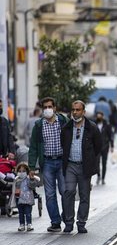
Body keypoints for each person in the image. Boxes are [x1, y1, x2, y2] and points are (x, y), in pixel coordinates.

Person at [61, 100, 102, 233]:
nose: (75, 112)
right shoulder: (67, 128)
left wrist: (90, 161)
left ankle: (81, 222)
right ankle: (68, 221)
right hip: (70, 165)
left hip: (85, 167)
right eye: (73, 109)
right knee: (68, 192)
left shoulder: (92, 127)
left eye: (78, 110)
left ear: (83, 112)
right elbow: (63, 144)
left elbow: (98, 146)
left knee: (84, 195)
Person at [28, 97, 68, 233]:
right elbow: (33, 147)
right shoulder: (38, 126)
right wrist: (32, 167)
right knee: (50, 194)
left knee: (64, 191)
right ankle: (55, 222)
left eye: (49, 107)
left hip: (62, 161)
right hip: (48, 163)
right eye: (45, 107)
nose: (47, 110)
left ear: (55, 108)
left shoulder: (63, 121)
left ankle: (67, 218)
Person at [14, 162, 41, 232]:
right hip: (19, 199)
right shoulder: (17, 180)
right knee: (21, 213)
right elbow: (15, 188)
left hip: (28, 199)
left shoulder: (29, 179)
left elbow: (32, 186)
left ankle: (29, 224)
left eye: (23, 171)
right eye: (19, 171)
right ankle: (21, 224)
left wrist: (32, 179)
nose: (21, 173)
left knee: (28, 213)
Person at [95, 111, 114, 185]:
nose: (98, 117)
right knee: (96, 163)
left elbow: (110, 136)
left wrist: (112, 146)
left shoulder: (107, 125)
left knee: (104, 163)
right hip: (96, 147)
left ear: (102, 116)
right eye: (97, 116)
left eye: (100, 116)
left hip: (105, 146)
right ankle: (98, 176)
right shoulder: (94, 124)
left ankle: (103, 178)